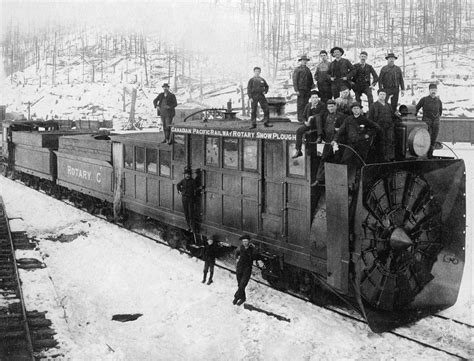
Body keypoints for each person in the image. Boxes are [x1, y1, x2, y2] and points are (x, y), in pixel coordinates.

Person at [332, 102, 381, 185]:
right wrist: (335, 140)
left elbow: (376, 127)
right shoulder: (348, 119)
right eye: (354, 108)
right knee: (345, 160)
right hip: (351, 144)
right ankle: (345, 183)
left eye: (357, 108)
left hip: (361, 145)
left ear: (360, 109)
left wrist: (368, 135)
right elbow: (340, 131)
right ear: (352, 110)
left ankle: (358, 183)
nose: (356, 110)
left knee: (360, 163)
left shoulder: (364, 120)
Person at [311, 99, 346, 186]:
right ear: (327, 107)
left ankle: (337, 182)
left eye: (333, 106)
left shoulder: (341, 116)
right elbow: (317, 117)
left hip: (337, 142)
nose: (331, 108)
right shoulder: (325, 115)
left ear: (336, 107)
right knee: (324, 158)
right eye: (329, 106)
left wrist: (339, 130)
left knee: (337, 160)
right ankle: (319, 179)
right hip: (327, 141)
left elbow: (345, 127)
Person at [292, 90, 327, 158]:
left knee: (318, 117)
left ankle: (319, 137)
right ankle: (298, 150)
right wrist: (305, 121)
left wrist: (312, 117)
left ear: (318, 98)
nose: (315, 99)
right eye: (313, 98)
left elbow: (322, 114)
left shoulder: (322, 105)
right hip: (309, 124)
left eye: (316, 97)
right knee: (299, 131)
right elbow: (303, 116)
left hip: (318, 124)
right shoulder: (308, 105)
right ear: (311, 99)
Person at [367, 89, 395, 162]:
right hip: (379, 128)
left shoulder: (388, 105)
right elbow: (370, 118)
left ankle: (388, 158)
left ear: (386, 96)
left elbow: (392, 115)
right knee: (380, 143)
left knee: (389, 141)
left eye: (384, 94)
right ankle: (381, 159)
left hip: (389, 127)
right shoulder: (374, 105)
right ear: (378, 95)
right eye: (381, 94)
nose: (382, 96)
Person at [415, 83, 443, 157]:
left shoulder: (438, 101)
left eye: (435, 90)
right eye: (432, 90)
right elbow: (416, 109)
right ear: (429, 90)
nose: (433, 91)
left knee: (433, 139)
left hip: (436, 123)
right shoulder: (424, 99)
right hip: (427, 122)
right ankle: (424, 155)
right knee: (426, 138)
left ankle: (430, 155)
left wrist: (436, 119)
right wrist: (415, 118)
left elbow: (440, 112)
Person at [233, 235, 258, 306]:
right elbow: (236, 253)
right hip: (239, 268)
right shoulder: (240, 248)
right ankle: (243, 298)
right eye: (243, 241)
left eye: (246, 241)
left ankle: (236, 297)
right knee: (240, 284)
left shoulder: (252, 249)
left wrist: (255, 248)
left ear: (249, 242)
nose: (245, 243)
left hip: (247, 269)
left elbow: (256, 255)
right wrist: (237, 259)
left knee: (242, 284)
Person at [292, 55, 315, 122]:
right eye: (303, 60)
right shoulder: (297, 69)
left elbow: (310, 78)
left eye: (305, 61)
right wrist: (296, 90)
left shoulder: (308, 69)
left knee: (306, 104)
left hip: (307, 89)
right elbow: (295, 80)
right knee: (300, 104)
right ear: (300, 61)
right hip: (300, 89)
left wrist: (312, 85)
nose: (304, 62)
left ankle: (305, 118)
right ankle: (300, 118)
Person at [176, 167, 198, 232]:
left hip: (190, 199)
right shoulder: (183, 180)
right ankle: (188, 226)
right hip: (184, 198)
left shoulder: (193, 181)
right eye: (186, 174)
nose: (187, 175)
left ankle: (193, 228)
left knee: (191, 213)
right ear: (185, 175)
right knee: (186, 213)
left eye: (188, 174)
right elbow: (178, 185)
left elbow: (196, 189)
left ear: (190, 175)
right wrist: (179, 191)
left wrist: (194, 195)